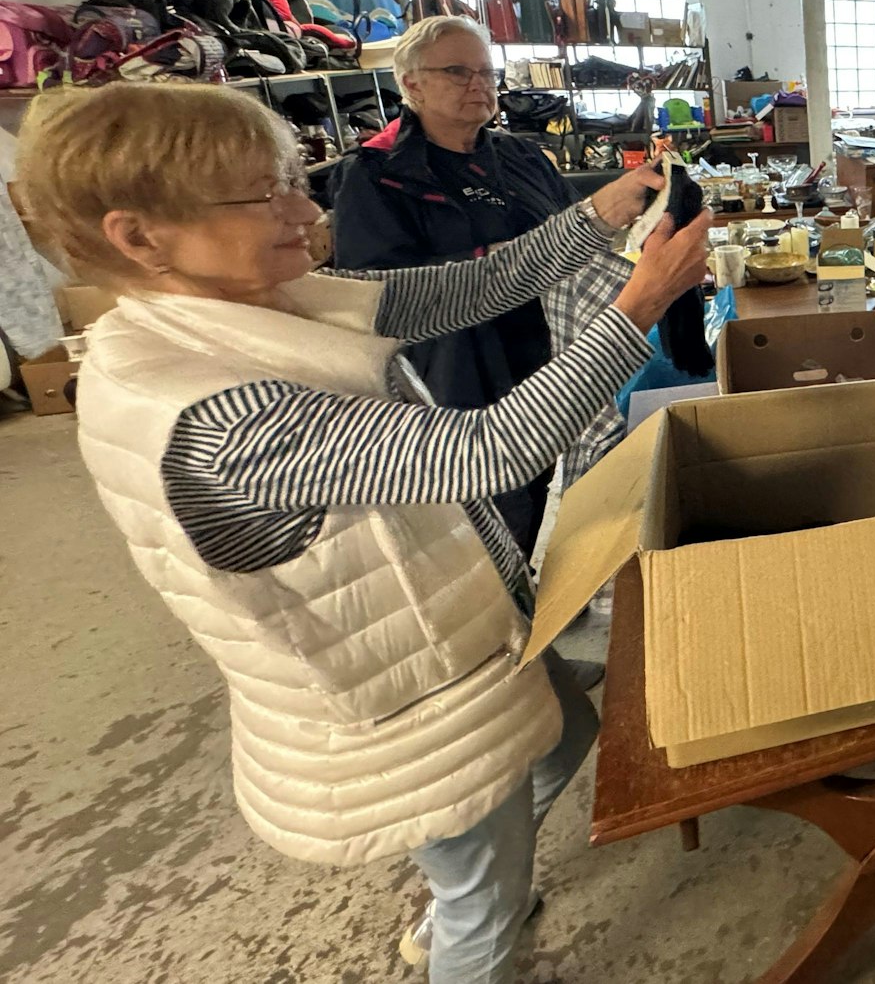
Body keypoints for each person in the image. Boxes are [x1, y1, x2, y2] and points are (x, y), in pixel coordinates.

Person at [15, 81, 710, 984]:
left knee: (565, 729)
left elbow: (465, 288)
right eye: (264, 195)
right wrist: (638, 307)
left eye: (292, 182)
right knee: (483, 903)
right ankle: (464, 922)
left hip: (436, 633)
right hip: (402, 698)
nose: (305, 211)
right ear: (139, 236)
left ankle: (464, 890)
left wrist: (600, 213)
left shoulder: (255, 306)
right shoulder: (215, 411)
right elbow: (488, 448)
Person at [329, 15, 589, 561]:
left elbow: (576, 230)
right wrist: (492, 260)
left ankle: (541, 590)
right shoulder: (375, 173)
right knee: (490, 515)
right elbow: (375, 290)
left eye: (487, 73)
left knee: (547, 489)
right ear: (412, 83)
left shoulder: (520, 157)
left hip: (542, 354)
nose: (479, 85)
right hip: (458, 376)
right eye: (457, 72)